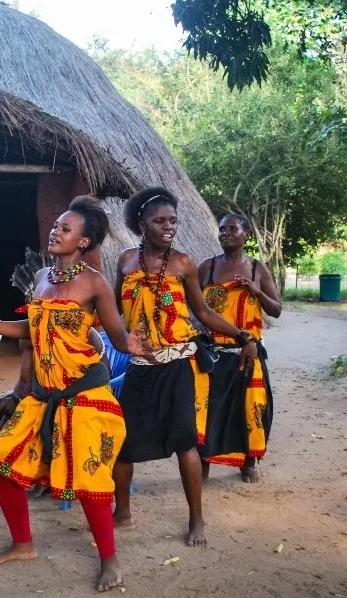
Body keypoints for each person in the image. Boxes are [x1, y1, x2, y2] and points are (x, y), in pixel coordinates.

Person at [0, 196, 150, 592]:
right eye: (56, 225)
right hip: (44, 396)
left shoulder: (94, 283)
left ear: (84, 241)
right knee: (2, 464)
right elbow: (32, 329)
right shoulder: (42, 276)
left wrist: (134, 346)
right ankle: (23, 544)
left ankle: (109, 558)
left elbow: (115, 337)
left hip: (84, 393)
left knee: (90, 481)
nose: (55, 231)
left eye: (65, 228)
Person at [112, 187, 258, 548]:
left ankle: (197, 519)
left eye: (173, 221)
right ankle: (123, 513)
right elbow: (114, 309)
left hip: (178, 366)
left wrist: (243, 337)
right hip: (139, 367)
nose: (168, 227)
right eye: (160, 221)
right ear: (141, 224)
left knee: (185, 443)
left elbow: (203, 313)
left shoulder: (184, 264)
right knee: (123, 444)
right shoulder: (126, 260)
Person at [198, 214, 281, 483]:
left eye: (232, 229)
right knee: (206, 410)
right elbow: (194, 306)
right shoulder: (207, 268)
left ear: (246, 234)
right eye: (222, 230)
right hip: (213, 353)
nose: (225, 234)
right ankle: (204, 460)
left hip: (248, 352)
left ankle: (248, 461)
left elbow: (276, 310)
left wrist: (257, 292)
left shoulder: (258, 269)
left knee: (251, 408)